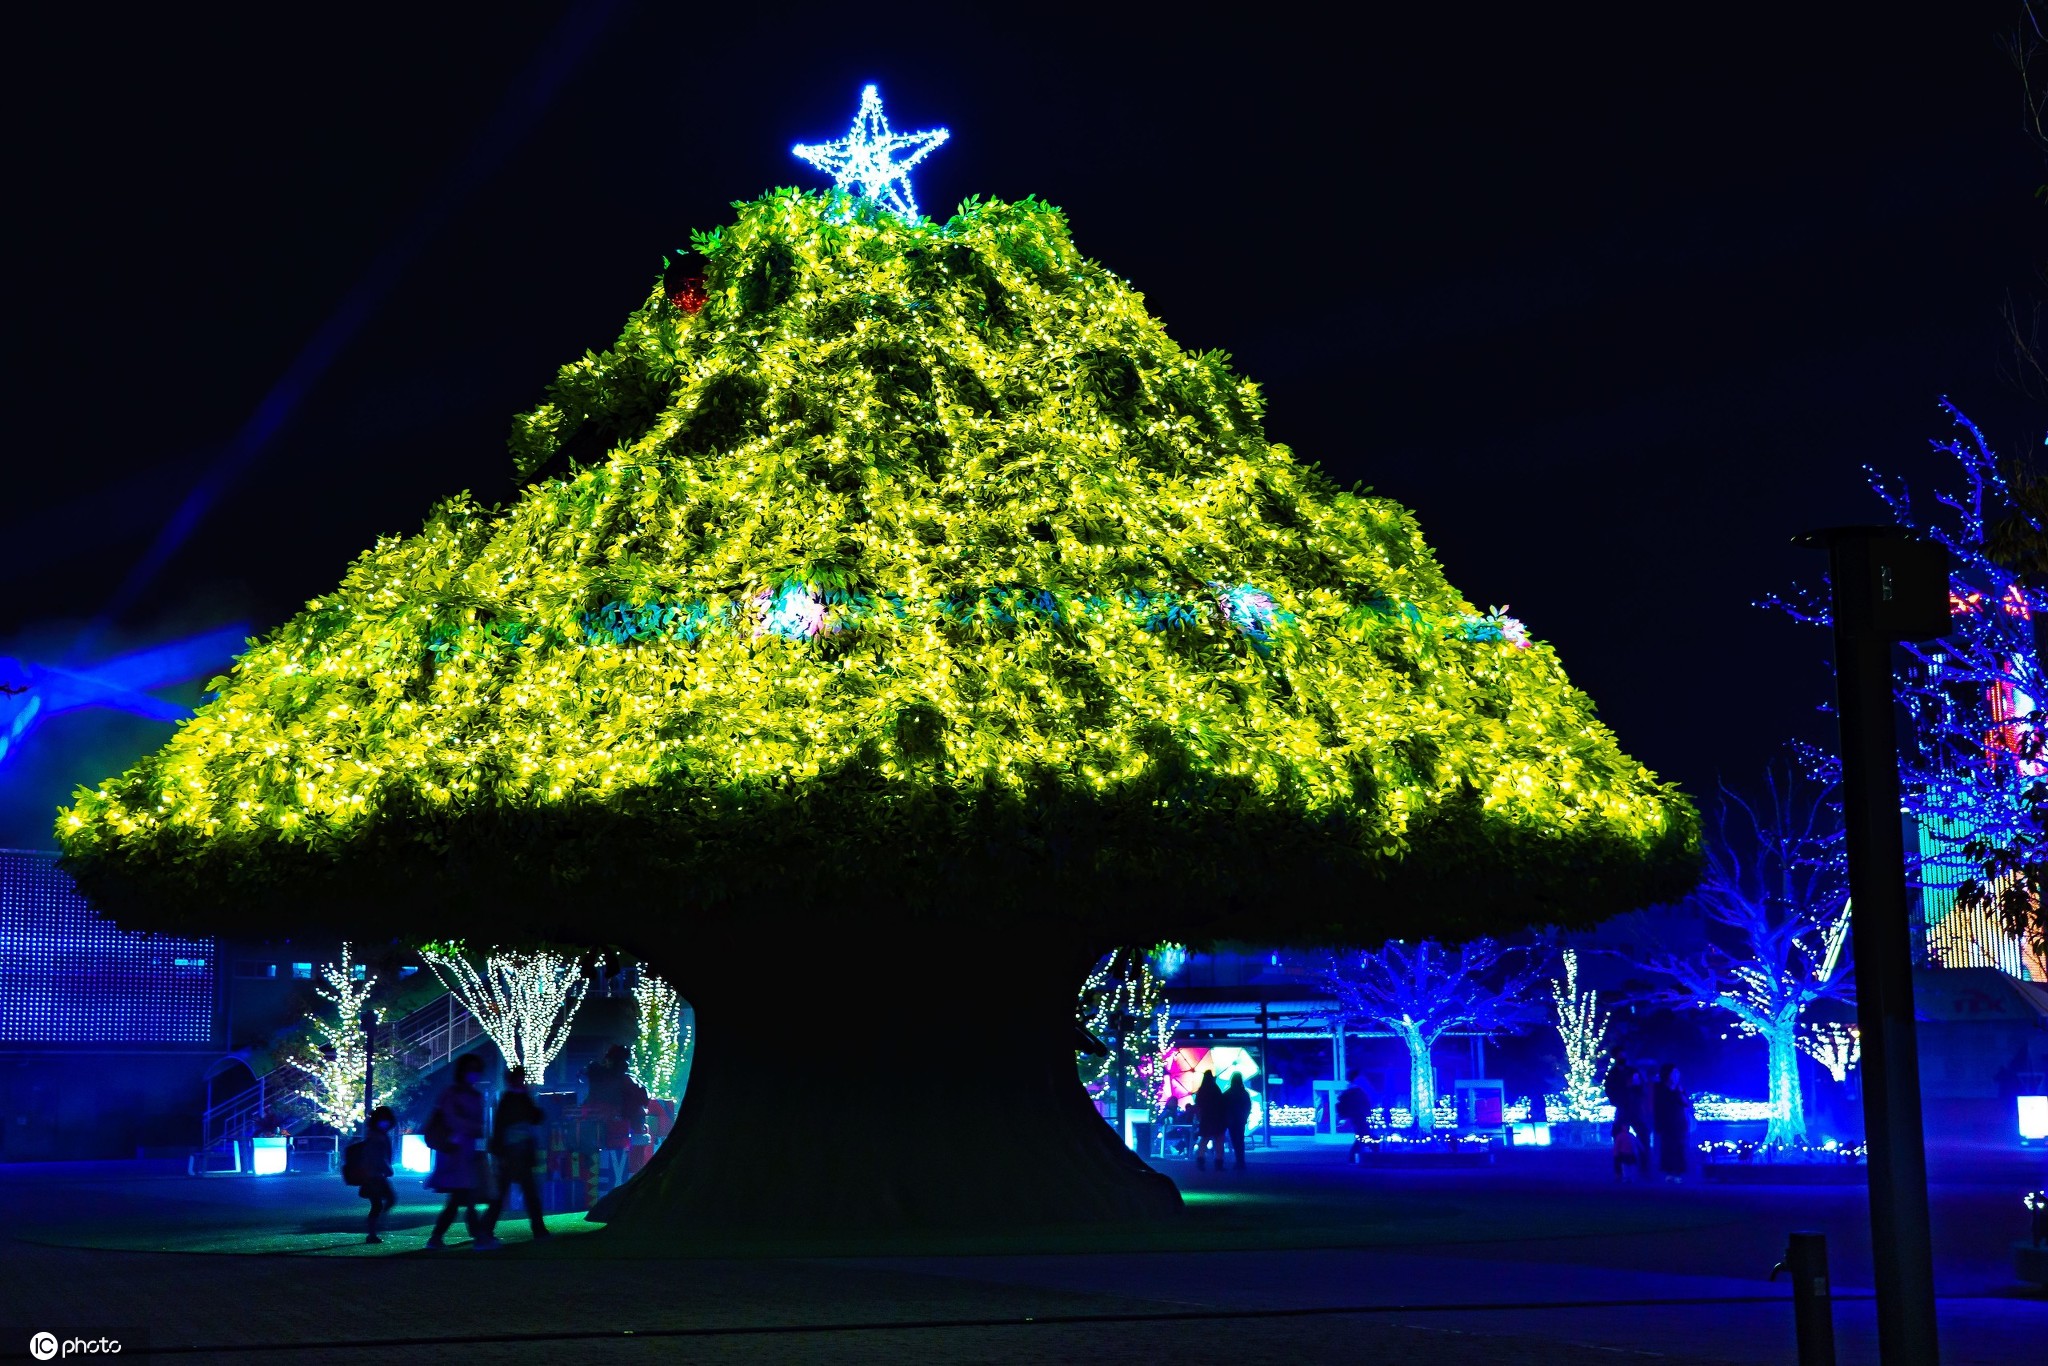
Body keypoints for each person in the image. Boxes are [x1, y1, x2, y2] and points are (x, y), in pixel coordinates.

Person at [426, 1052, 492, 1249]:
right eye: (471, 1069)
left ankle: (440, 1237)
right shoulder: (455, 1094)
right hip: (456, 1151)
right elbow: (455, 1120)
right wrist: (473, 1128)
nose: (474, 1073)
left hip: (462, 1152)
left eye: (476, 1069)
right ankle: (478, 1237)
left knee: (459, 1198)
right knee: (463, 1196)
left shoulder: (468, 1094)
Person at [484, 1066, 550, 1241]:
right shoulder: (515, 1098)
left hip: (515, 1152)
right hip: (514, 1153)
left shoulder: (513, 1098)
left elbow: (534, 1118)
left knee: (512, 1193)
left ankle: (486, 1229)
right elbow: (535, 1117)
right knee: (526, 1193)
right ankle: (538, 1230)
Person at [360, 1106, 397, 1244]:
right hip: (373, 1175)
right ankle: (374, 1229)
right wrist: (387, 1168)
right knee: (381, 1203)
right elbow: (377, 1157)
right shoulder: (377, 1136)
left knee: (380, 1203)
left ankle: (374, 1229)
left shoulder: (376, 1135)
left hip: (374, 1175)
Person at [1654, 1064, 1691, 1182]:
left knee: (1679, 1147)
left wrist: (1679, 1093)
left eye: (1677, 1073)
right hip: (1666, 1122)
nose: (1676, 1075)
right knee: (1667, 1147)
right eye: (1674, 1072)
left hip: (1679, 1122)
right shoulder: (1660, 1089)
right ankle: (1669, 1172)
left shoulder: (1680, 1089)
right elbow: (1657, 1107)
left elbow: (1686, 1103)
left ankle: (1678, 1172)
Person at [1336, 1072, 1373, 1163]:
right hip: (1358, 1117)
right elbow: (1364, 1104)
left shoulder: (1351, 1092)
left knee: (1362, 1136)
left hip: (1357, 1117)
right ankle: (1356, 1156)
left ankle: (1354, 1157)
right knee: (1363, 1135)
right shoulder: (1355, 1092)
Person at [1193, 1071, 1226, 1171]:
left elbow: (1198, 1105)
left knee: (1204, 1140)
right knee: (1219, 1140)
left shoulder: (1201, 1090)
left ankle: (1200, 1160)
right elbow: (1221, 1104)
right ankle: (1219, 1162)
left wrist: (1200, 1117)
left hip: (1205, 1118)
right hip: (1216, 1118)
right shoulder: (1216, 1089)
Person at [1223, 1074, 1253, 1169]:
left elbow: (1223, 1107)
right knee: (1240, 1140)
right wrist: (1245, 1117)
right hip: (1241, 1120)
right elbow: (1248, 1106)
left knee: (1234, 1140)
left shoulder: (1228, 1093)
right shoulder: (1244, 1093)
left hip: (1231, 1121)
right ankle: (1241, 1161)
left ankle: (1238, 1160)